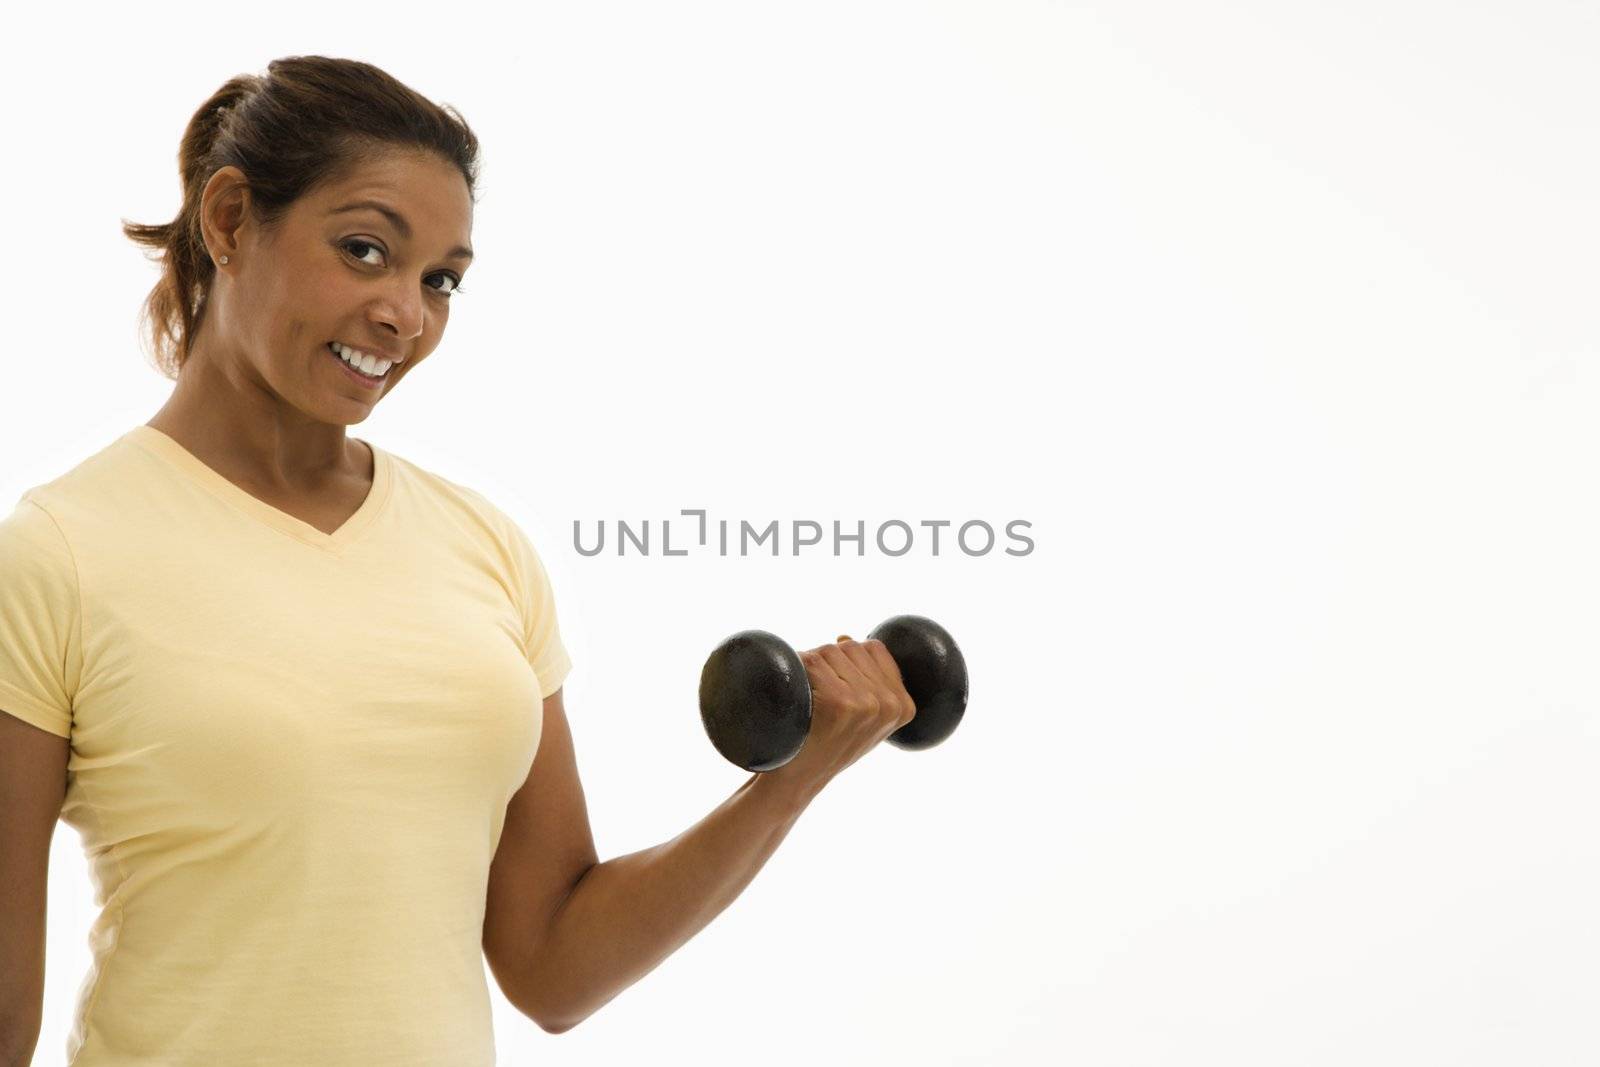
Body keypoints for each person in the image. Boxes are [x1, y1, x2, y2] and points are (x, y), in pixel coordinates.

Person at [0, 55, 917, 1066]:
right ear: (227, 221)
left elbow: (555, 966)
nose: (407, 314)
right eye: (363, 250)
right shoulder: (60, 554)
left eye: (440, 280)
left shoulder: (483, 547)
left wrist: (790, 778)